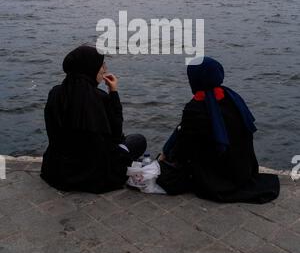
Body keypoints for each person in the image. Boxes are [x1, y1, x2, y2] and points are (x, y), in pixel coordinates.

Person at [157, 57, 280, 204]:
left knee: (164, 174)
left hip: (218, 177)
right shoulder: (232, 97)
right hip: (244, 170)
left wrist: (167, 156)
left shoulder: (196, 108)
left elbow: (185, 148)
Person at [41, 45, 147, 193]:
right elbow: (116, 136)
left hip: (57, 170)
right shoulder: (99, 98)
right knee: (138, 140)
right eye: (101, 65)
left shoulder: (55, 93)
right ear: (90, 69)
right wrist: (113, 92)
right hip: (93, 173)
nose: (104, 69)